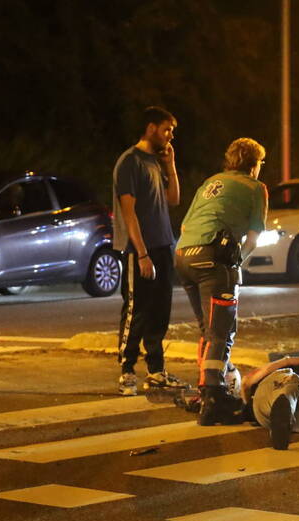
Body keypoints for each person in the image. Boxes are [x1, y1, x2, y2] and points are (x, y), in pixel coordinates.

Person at [175, 138, 269, 425]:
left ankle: (206, 390)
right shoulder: (256, 188)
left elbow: (184, 224)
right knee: (221, 331)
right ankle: (213, 399)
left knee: (207, 329)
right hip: (213, 259)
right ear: (255, 165)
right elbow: (253, 238)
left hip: (183, 256)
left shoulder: (210, 182)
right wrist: (236, 263)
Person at [112, 106, 184, 396]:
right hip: (138, 250)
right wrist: (141, 254)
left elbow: (174, 199)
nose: (170, 136)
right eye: (167, 130)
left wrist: (171, 166)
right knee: (136, 310)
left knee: (160, 310)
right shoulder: (129, 162)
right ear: (152, 128)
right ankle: (127, 371)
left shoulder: (156, 162)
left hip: (163, 245)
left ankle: (156, 370)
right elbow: (129, 213)